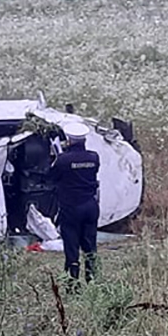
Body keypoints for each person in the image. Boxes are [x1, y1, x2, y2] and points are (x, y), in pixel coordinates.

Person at [49, 121, 100, 284]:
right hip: (91, 206)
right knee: (90, 244)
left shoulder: (63, 160)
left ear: (69, 141)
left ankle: (73, 283)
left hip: (71, 207)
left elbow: (52, 177)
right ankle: (92, 278)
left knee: (71, 245)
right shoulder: (94, 157)